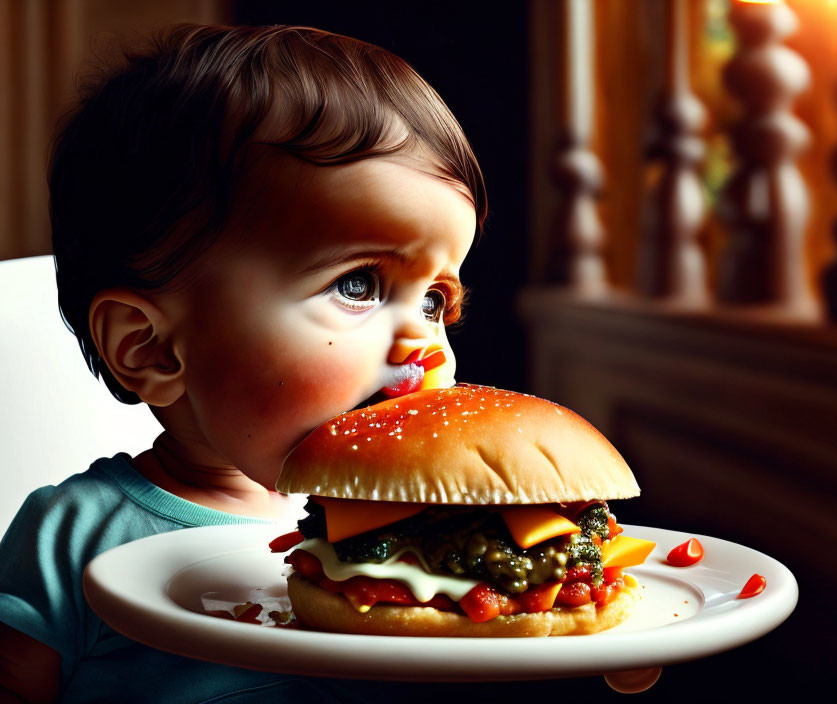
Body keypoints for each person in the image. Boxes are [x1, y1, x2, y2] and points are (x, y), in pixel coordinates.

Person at [0, 24, 486, 703]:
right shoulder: (73, 536)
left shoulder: (416, 537)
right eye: (358, 284)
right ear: (152, 347)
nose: (425, 346)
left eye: (436, 300)